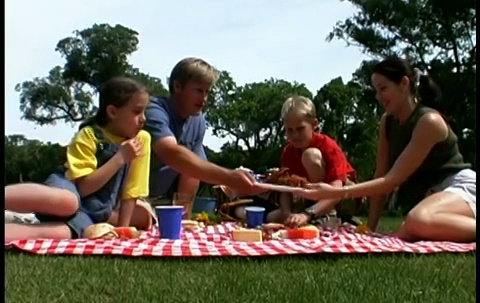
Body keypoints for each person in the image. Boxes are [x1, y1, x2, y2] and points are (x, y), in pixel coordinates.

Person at [294, 56, 476, 243]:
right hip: (436, 195)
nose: (378, 97)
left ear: (404, 83)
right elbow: (380, 175)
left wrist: (335, 193)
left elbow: (391, 181)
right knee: (408, 229)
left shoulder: (429, 122)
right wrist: (370, 229)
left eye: (383, 89)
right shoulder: (387, 122)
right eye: (376, 90)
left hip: (460, 187)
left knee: (417, 221)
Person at [5, 76, 154, 241]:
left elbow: (131, 191)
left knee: (64, 233)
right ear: (112, 112)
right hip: (69, 190)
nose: (144, 119)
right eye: (136, 112)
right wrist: (120, 158)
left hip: (91, 211)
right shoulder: (89, 135)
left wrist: (123, 230)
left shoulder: (142, 139)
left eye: (144, 111)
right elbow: (83, 188)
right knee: (68, 202)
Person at [144, 57, 256, 216]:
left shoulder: (198, 121)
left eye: (207, 92)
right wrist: (229, 178)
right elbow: (171, 153)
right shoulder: (154, 110)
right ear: (177, 86)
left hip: (164, 201)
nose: (204, 98)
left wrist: (184, 217)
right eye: (198, 90)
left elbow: (194, 169)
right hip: (130, 199)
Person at [265, 96, 360, 227]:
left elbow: (337, 191)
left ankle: (329, 215)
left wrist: (308, 214)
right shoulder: (288, 152)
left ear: (314, 124)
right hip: (310, 197)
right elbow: (285, 189)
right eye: (289, 130)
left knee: (310, 156)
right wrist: (287, 215)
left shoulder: (328, 146)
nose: (295, 135)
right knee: (272, 217)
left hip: (344, 195)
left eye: (300, 129)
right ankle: (315, 213)